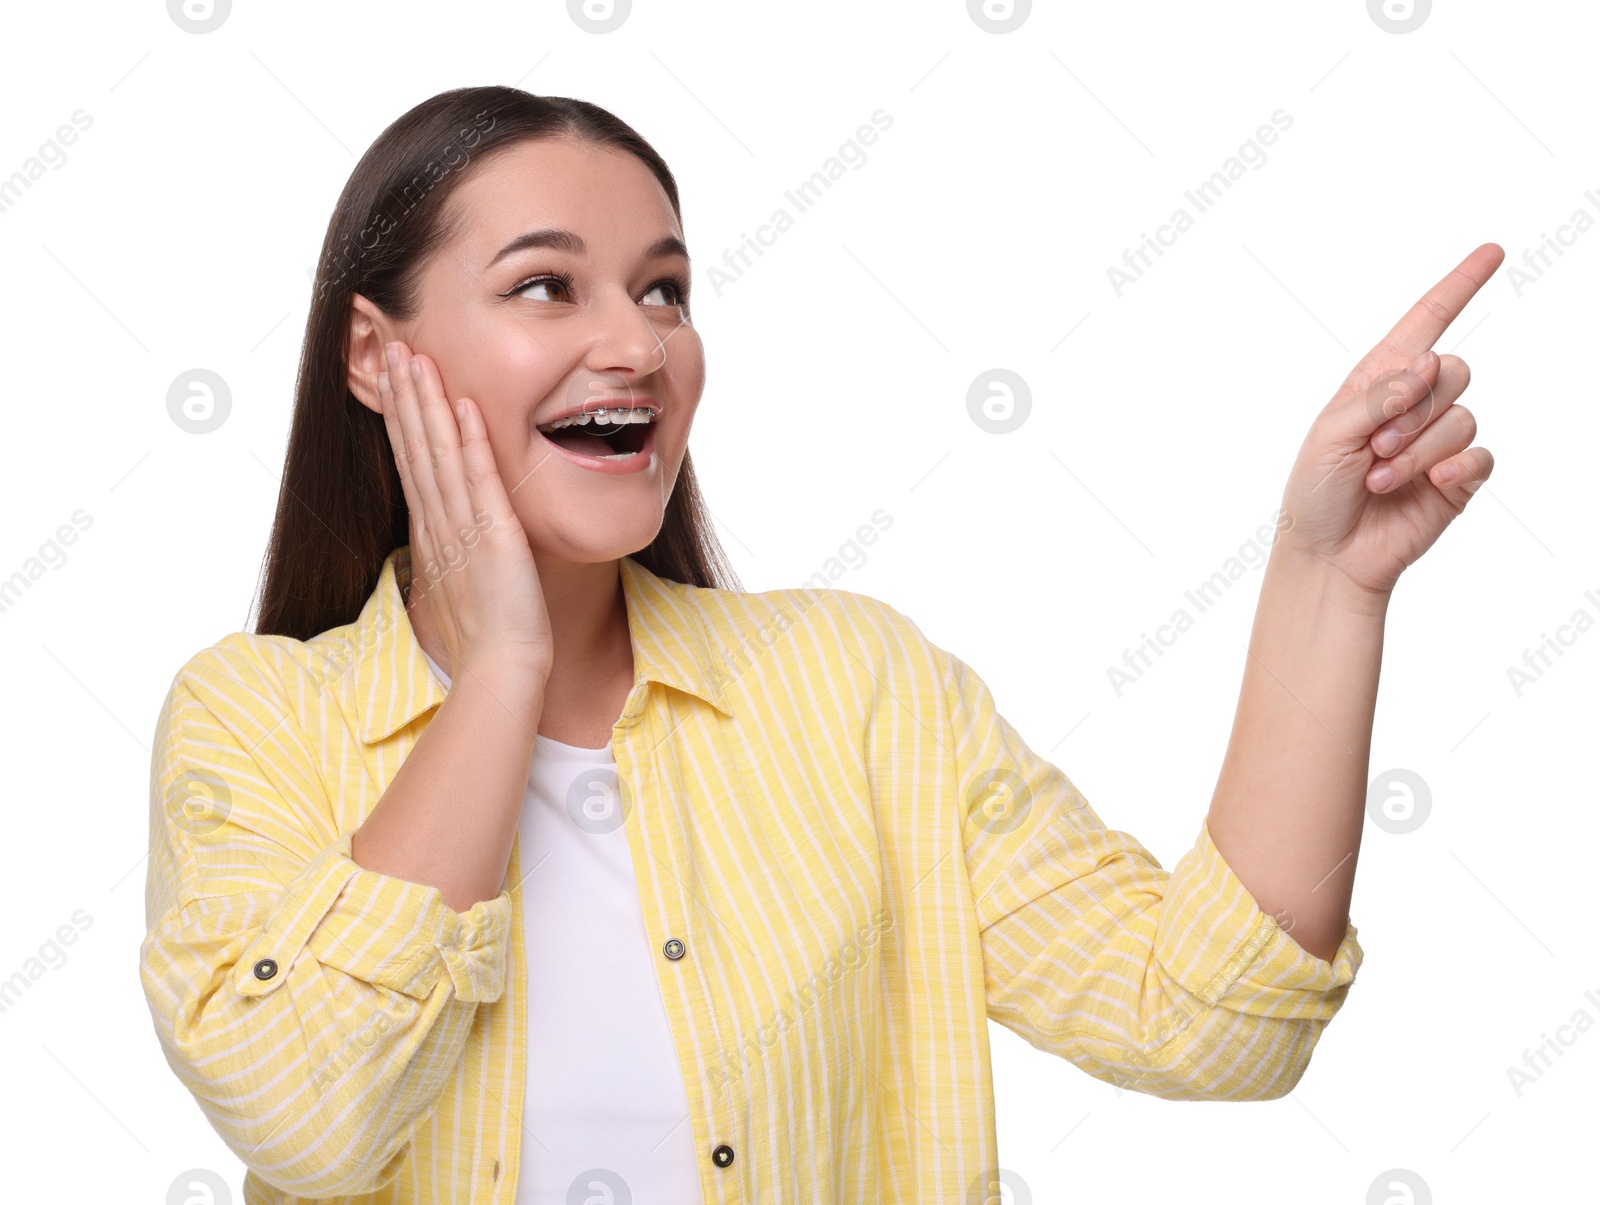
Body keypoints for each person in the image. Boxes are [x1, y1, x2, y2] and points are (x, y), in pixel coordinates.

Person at [138, 85, 1500, 1204]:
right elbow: (298, 1115)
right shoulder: (256, 716)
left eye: (664, 291)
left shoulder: (857, 688)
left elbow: (1210, 1021)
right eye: (547, 287)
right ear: (377, 359)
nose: (636, 345)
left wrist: (1331, 584)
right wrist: (501, 670)